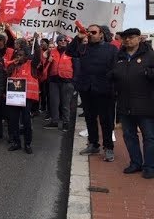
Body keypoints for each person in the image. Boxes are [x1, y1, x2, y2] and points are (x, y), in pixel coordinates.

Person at [67, 24, 118, 162]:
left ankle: (108, 147)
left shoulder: (112, 49)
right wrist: (78, 38)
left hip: (104, 90)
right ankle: (93, 144)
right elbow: (69, 52)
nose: (90, 34)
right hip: (86, 89)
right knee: (90, 118)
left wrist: (110, 85)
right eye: (88, 32)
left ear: (101, 34)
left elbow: (115, 70)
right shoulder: (83, 47)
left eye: (93, 32)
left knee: (105, 120)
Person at [108, 28, 154, 179]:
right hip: (124, 103)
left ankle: (150, 166)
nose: (127, 40)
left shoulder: (150, 55)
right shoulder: (119, 56)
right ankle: (136, 163)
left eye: (131, 37)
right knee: (129, 135)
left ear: (139, 38)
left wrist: (149, 73)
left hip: (146, 104)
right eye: (125, 38)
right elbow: (113, 73)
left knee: (149, 137)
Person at [5, 35, 41, 154]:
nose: (18, 57)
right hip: (14, 99)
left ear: (26, 56)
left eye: (21, 56)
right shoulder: (12, 66)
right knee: (13, 121)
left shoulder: (31, 64)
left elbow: (37, 56)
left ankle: (27, 143)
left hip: (26, 99)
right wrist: (11, 64)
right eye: (17, 56)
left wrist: (36, 43)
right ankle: (16, 142)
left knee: (26, 121)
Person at [43, 35, 74, 132]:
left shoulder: (71, 52)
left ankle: (66, 123)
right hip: (54, 81)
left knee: (65, 103)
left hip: (67, 81)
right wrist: (48, 61)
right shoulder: (52, 52)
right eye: (60, 40)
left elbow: (77, 66)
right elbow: (45, 65)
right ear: (57, 42)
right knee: (54, 103)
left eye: (64, 40)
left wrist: (75, 81)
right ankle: (54, 121)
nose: (63, 41)